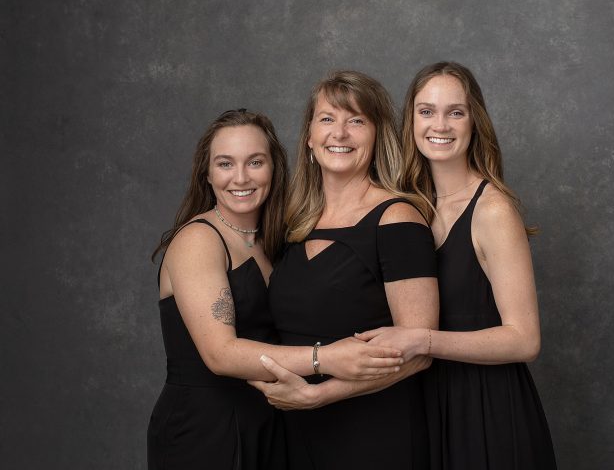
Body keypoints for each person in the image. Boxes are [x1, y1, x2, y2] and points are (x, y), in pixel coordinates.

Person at [147, 109, 404, 469]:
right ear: (206, 174)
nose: (240, 177)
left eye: (255, 162)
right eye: (225, 164)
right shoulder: (198, 240)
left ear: (273, 169)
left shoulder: (276, 240)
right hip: (206, 428)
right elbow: (220, 353)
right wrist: (327, 358)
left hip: (271, 420)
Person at [355, 62, 557, 469]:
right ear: (410, 120)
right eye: (427, 111)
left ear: (474, 121)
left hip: (488, 410)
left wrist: (422, 340)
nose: (440, 125)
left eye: (455, 112)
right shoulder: (410, 209)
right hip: (427, 405)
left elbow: (525, 339)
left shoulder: (493, 210)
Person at [249, 71, 439, 470]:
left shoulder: (397, 219)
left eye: (356, 121)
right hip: (298, 434)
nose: (341, 133)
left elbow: (419, 353)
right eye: (327, 119)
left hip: (375, 434)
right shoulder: (292, 223)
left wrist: (318, 396)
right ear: (309, 138)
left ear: (376, 136)